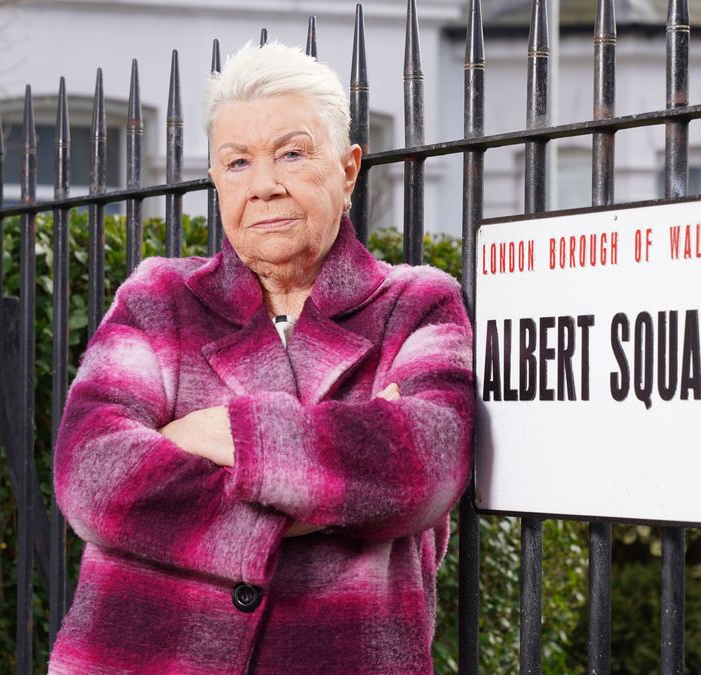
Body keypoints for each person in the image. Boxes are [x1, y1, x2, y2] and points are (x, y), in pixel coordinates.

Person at [49, 41, 474, 674]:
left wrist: (214, 431)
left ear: (349, 168)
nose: (265, 185)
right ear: (216, 179)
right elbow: (91, 472)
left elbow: (420, 470)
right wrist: (328, 493)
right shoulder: (157, 299)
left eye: (293, 154)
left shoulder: (416, 304)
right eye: (238, 162)